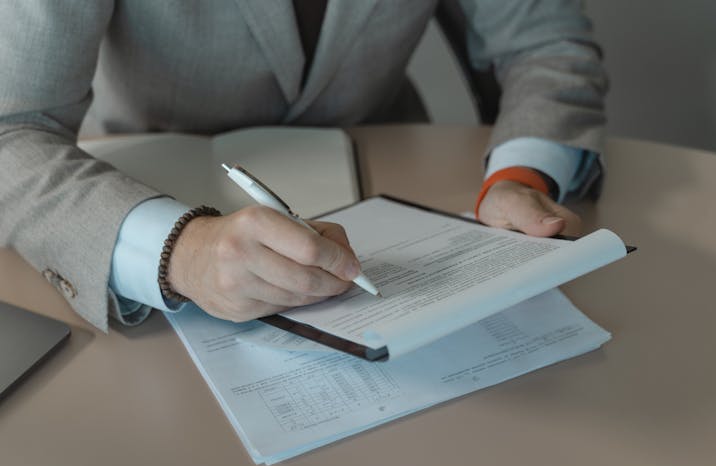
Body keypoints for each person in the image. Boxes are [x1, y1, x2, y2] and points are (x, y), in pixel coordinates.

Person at [0, 1, 607, 332]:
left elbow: (542, 42)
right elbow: (10, 128)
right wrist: (177, 253)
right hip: (146, 189)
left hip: (390, 175)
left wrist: (521, 176)